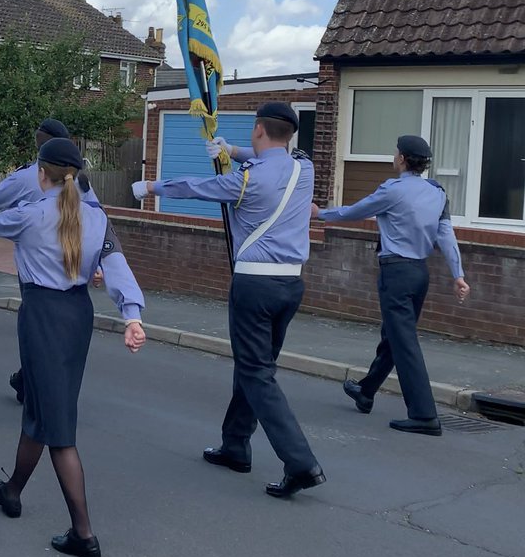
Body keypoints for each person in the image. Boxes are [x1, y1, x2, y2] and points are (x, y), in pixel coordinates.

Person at [0, 137, 146, 557]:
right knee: (41, 408)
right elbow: (116, 265)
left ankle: (84, 534)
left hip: (42, 316)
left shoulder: (33, 213)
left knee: (57, 428)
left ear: (42, 174)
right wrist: (132, 316)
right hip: (77, 316)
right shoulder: (96, 215)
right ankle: (12, 491)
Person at [133, 102, 326, 499]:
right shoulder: (304, 169)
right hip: (291, 284)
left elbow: (195, 187)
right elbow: (269, 157)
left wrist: (150, 187)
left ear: (258, 129)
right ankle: (236, 444)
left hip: (255, 285)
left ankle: (300, 462)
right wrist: (231, 151)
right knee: (256, 366)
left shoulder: (246, 181)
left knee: (256, 373)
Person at [312, 135, 470, 436]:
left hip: (396, 272)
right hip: (420, 274)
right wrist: (458, 275)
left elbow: (356, 211)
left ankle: (424, 415)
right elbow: (446, 236)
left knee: (404, 341)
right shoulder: (438, 192)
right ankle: (365, 391)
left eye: (396, 153)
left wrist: (321, 214)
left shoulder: (393, 190)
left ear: (402, 159)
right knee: (395, 335)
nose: (393, 156)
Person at [0, 118, 99, 402]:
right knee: (64, 328)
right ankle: (42, 384)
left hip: (38, 264)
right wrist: (99, 263)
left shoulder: (28, 176)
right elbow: (98, 220)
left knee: (36, 329)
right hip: (75, 262)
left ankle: (34, 383)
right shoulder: (80, 181)